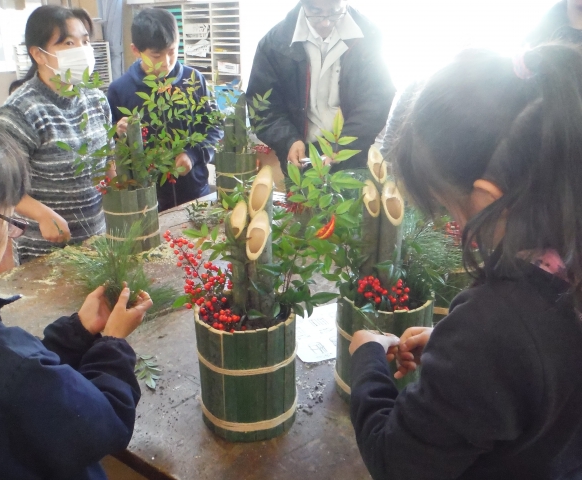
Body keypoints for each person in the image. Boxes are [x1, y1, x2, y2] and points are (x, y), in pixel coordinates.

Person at [349, 44, 582, 479]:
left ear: (490, 198)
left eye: (451, 208)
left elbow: (396, 461)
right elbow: (545, 362)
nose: (454, 225)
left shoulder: (491, 330)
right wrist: (448, 344)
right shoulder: (565, 264)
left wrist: (366, 359)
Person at [0, 107, 153, 479]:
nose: (9, 235)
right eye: (9, 222)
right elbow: (101, 425)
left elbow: (14, 393)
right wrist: (112, 343)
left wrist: (76, 333)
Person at [0, 5, 111, 263]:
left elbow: (107, 161)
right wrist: (42, 214)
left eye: (85, 41)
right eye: (69, 43)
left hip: (97, 241)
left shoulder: (96, 100)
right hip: (45, 254)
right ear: (39, 54)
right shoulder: (19, 112)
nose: (81, 50)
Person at [246, 0, 395, 174]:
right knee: (302, 200)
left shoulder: (368, 36)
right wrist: (288, 141)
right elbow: (263, 108)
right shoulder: (274, 43)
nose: (325, 22)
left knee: (349, 198)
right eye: (316, 12)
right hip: (298, 152)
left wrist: (340, 147)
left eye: (334, 12)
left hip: (350, 149)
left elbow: (376, 101)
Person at [106, 8, 223, 212]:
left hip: (196, 193)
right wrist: (117, 132)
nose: (166, 62)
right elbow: (106, 148)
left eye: (172, 51)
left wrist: (193, 155)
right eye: (156, 55)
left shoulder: (193, 80)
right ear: (136, 50)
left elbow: (214, 128)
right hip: (146, 202)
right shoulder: (120, 90)